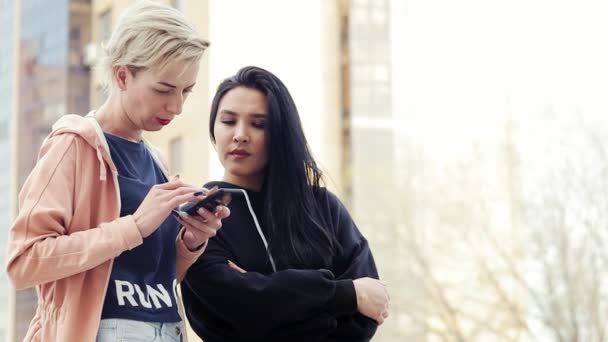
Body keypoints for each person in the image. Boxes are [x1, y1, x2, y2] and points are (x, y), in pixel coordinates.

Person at [5, 1, 229, 341]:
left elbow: (156, 280)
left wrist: (191, 241)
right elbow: (24, 263)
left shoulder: (156, 161)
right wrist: (134, 226)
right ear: (123, 75)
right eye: (164, 89)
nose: (177, 106)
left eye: (186, 91)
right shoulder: (73, 146)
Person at [181, 66, 390, 342]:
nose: (240, 134)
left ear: (280, 131)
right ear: (214, 127)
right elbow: (235, 310)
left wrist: (268, 295)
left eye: (259, 124)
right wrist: (345, 294)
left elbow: (368, 312)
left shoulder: (323, 207)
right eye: (229, 121)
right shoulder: (201, 217)